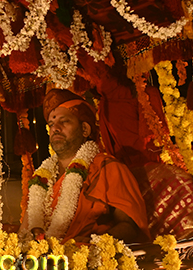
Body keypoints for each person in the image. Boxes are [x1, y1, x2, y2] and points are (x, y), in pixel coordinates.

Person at [20, 88, 151, 244]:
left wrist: (92, 244)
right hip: (41, 256)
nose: (55, 128)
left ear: (85, 129)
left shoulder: (108, 169)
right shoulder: (42, 178)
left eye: (64, 121)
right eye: (51, 124)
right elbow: (25, 231)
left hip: (86, 255)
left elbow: (130, 227)